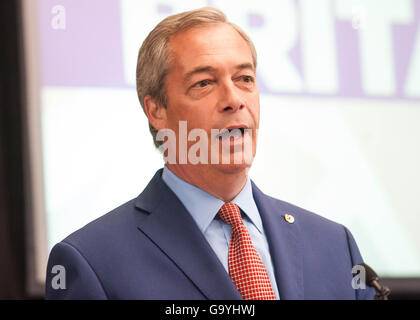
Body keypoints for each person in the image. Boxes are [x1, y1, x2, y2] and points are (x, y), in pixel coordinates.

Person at [45, 7, 374, 300]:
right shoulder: (92, 262)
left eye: (244, 78)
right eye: (204, 83)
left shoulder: (335, 245)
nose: (234, 99)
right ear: (156, 110)